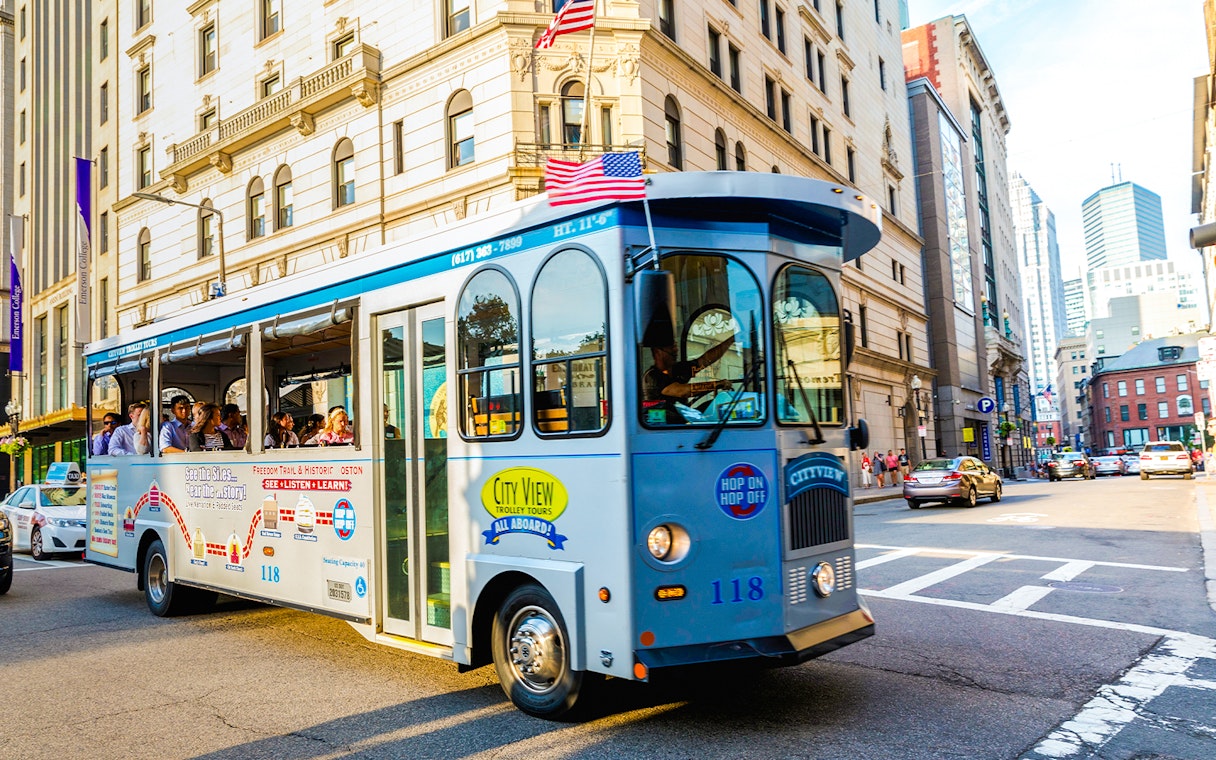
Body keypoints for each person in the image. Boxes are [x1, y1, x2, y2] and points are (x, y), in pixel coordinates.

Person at [642, 337, 735, 421]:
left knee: (718, 406)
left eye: (675, 346)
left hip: (682, 416)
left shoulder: (678, 369)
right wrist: (716, 384)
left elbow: (705, 360)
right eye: (671, 348)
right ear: (658, 352)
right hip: (662, 423)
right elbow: (682, 391)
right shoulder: (651, 376)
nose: (676, 350)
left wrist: (731, 340)